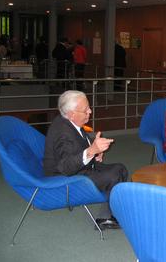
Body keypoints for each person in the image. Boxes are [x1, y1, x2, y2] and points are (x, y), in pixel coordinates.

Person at [43, 90, 128, 229]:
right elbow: (65, 167)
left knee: (120, 168)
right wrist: (91, 151)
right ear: (72, 114)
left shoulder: (68, 120)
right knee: (114, 175)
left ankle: (111, 211)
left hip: (80, 167)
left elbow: (78, 144)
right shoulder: (62, 133)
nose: (90, 111)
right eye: (85, 110)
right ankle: (105, 219)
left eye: (88, 107)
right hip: (65, 178)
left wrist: (94, 152)